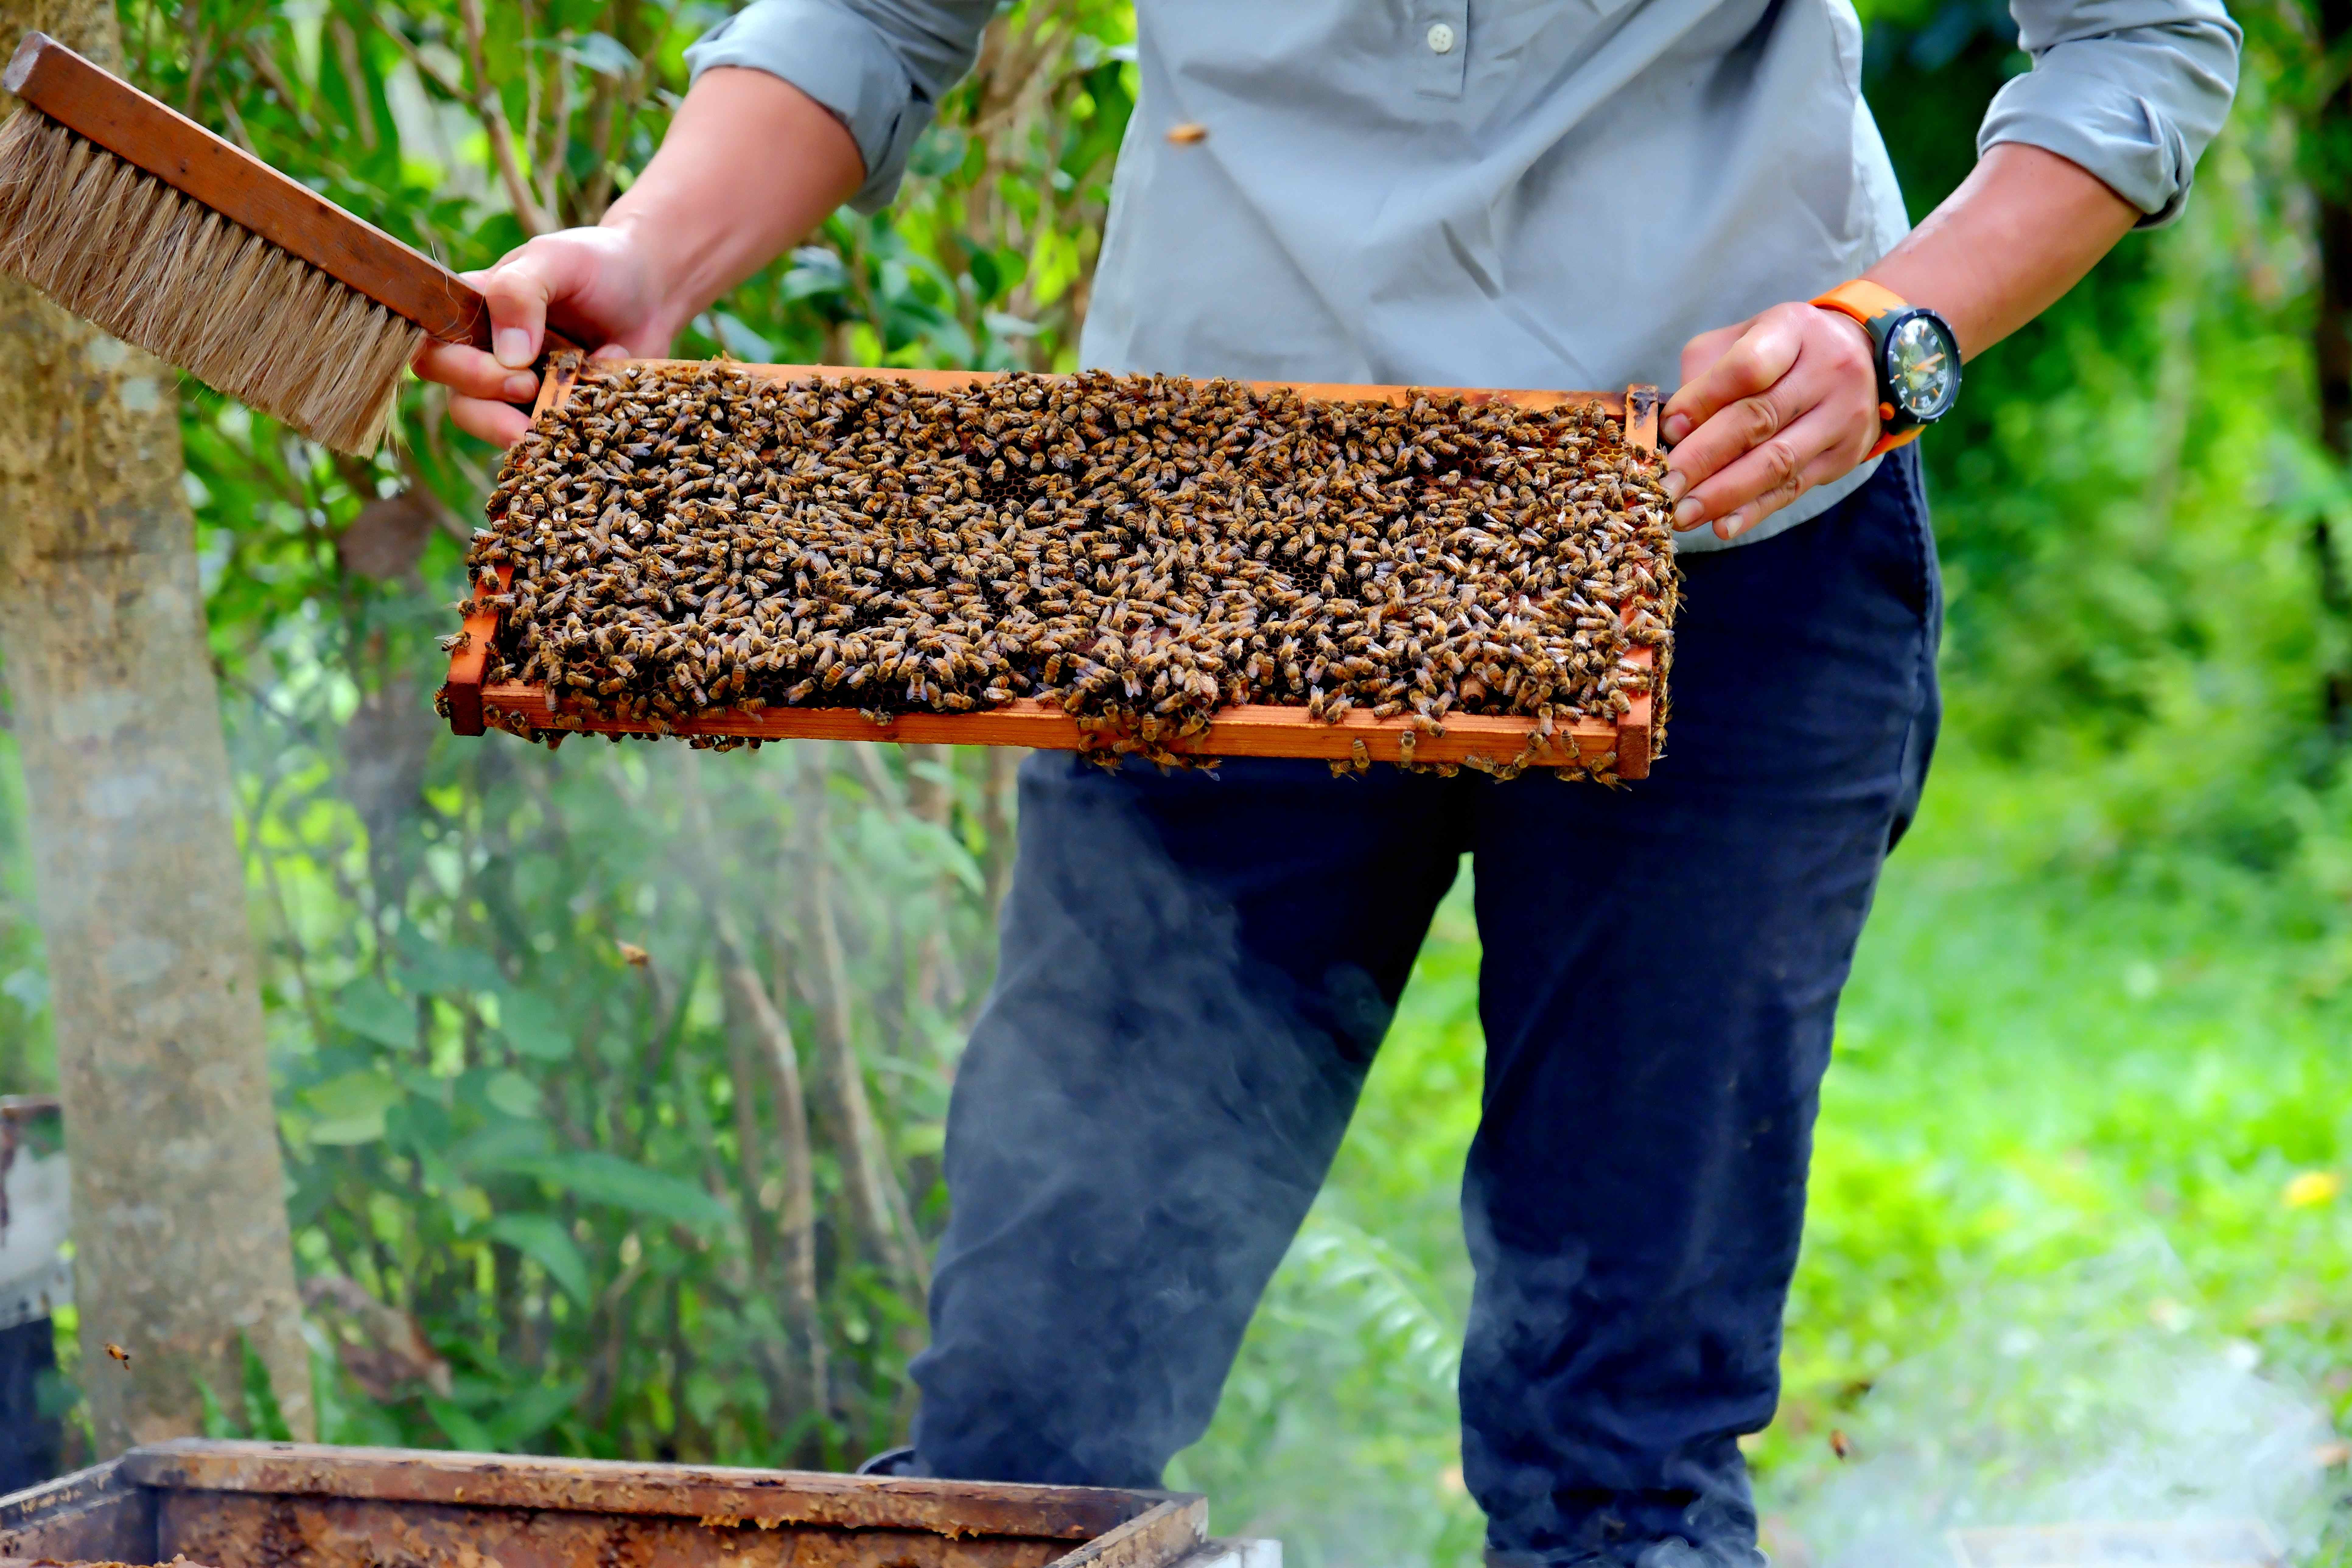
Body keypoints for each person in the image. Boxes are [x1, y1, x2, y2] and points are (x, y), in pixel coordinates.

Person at [417, 0, 2239, 1560]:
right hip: (1202, 549)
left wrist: (1888, 334)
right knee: (1027, 1424)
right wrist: (652, 249)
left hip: (1728, 532)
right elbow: (881, 13)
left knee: (1623, 1453)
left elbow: (2137, 43)